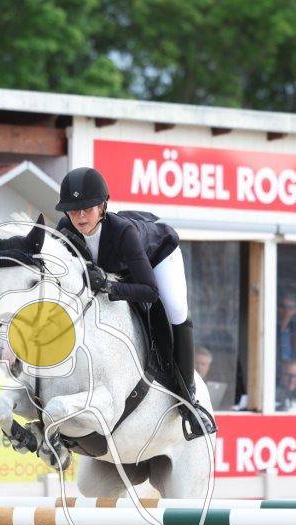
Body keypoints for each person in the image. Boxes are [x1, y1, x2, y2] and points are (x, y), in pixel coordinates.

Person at [54, 167, 215, 438]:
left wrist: (108, 286)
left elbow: (149, 291)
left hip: (158, 256)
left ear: (102, 206)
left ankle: (190, 401)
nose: (80, 216)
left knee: (176, 310)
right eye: (73, 210)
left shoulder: (122, 232)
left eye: (88, 209)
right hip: (121, 270)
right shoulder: (64, 231)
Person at [278, 294, 296, 361]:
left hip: (291, 364)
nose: (287, 310)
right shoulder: (269, 326)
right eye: (283, 307)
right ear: (278, 308)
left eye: (290, 307)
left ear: (295, 310)